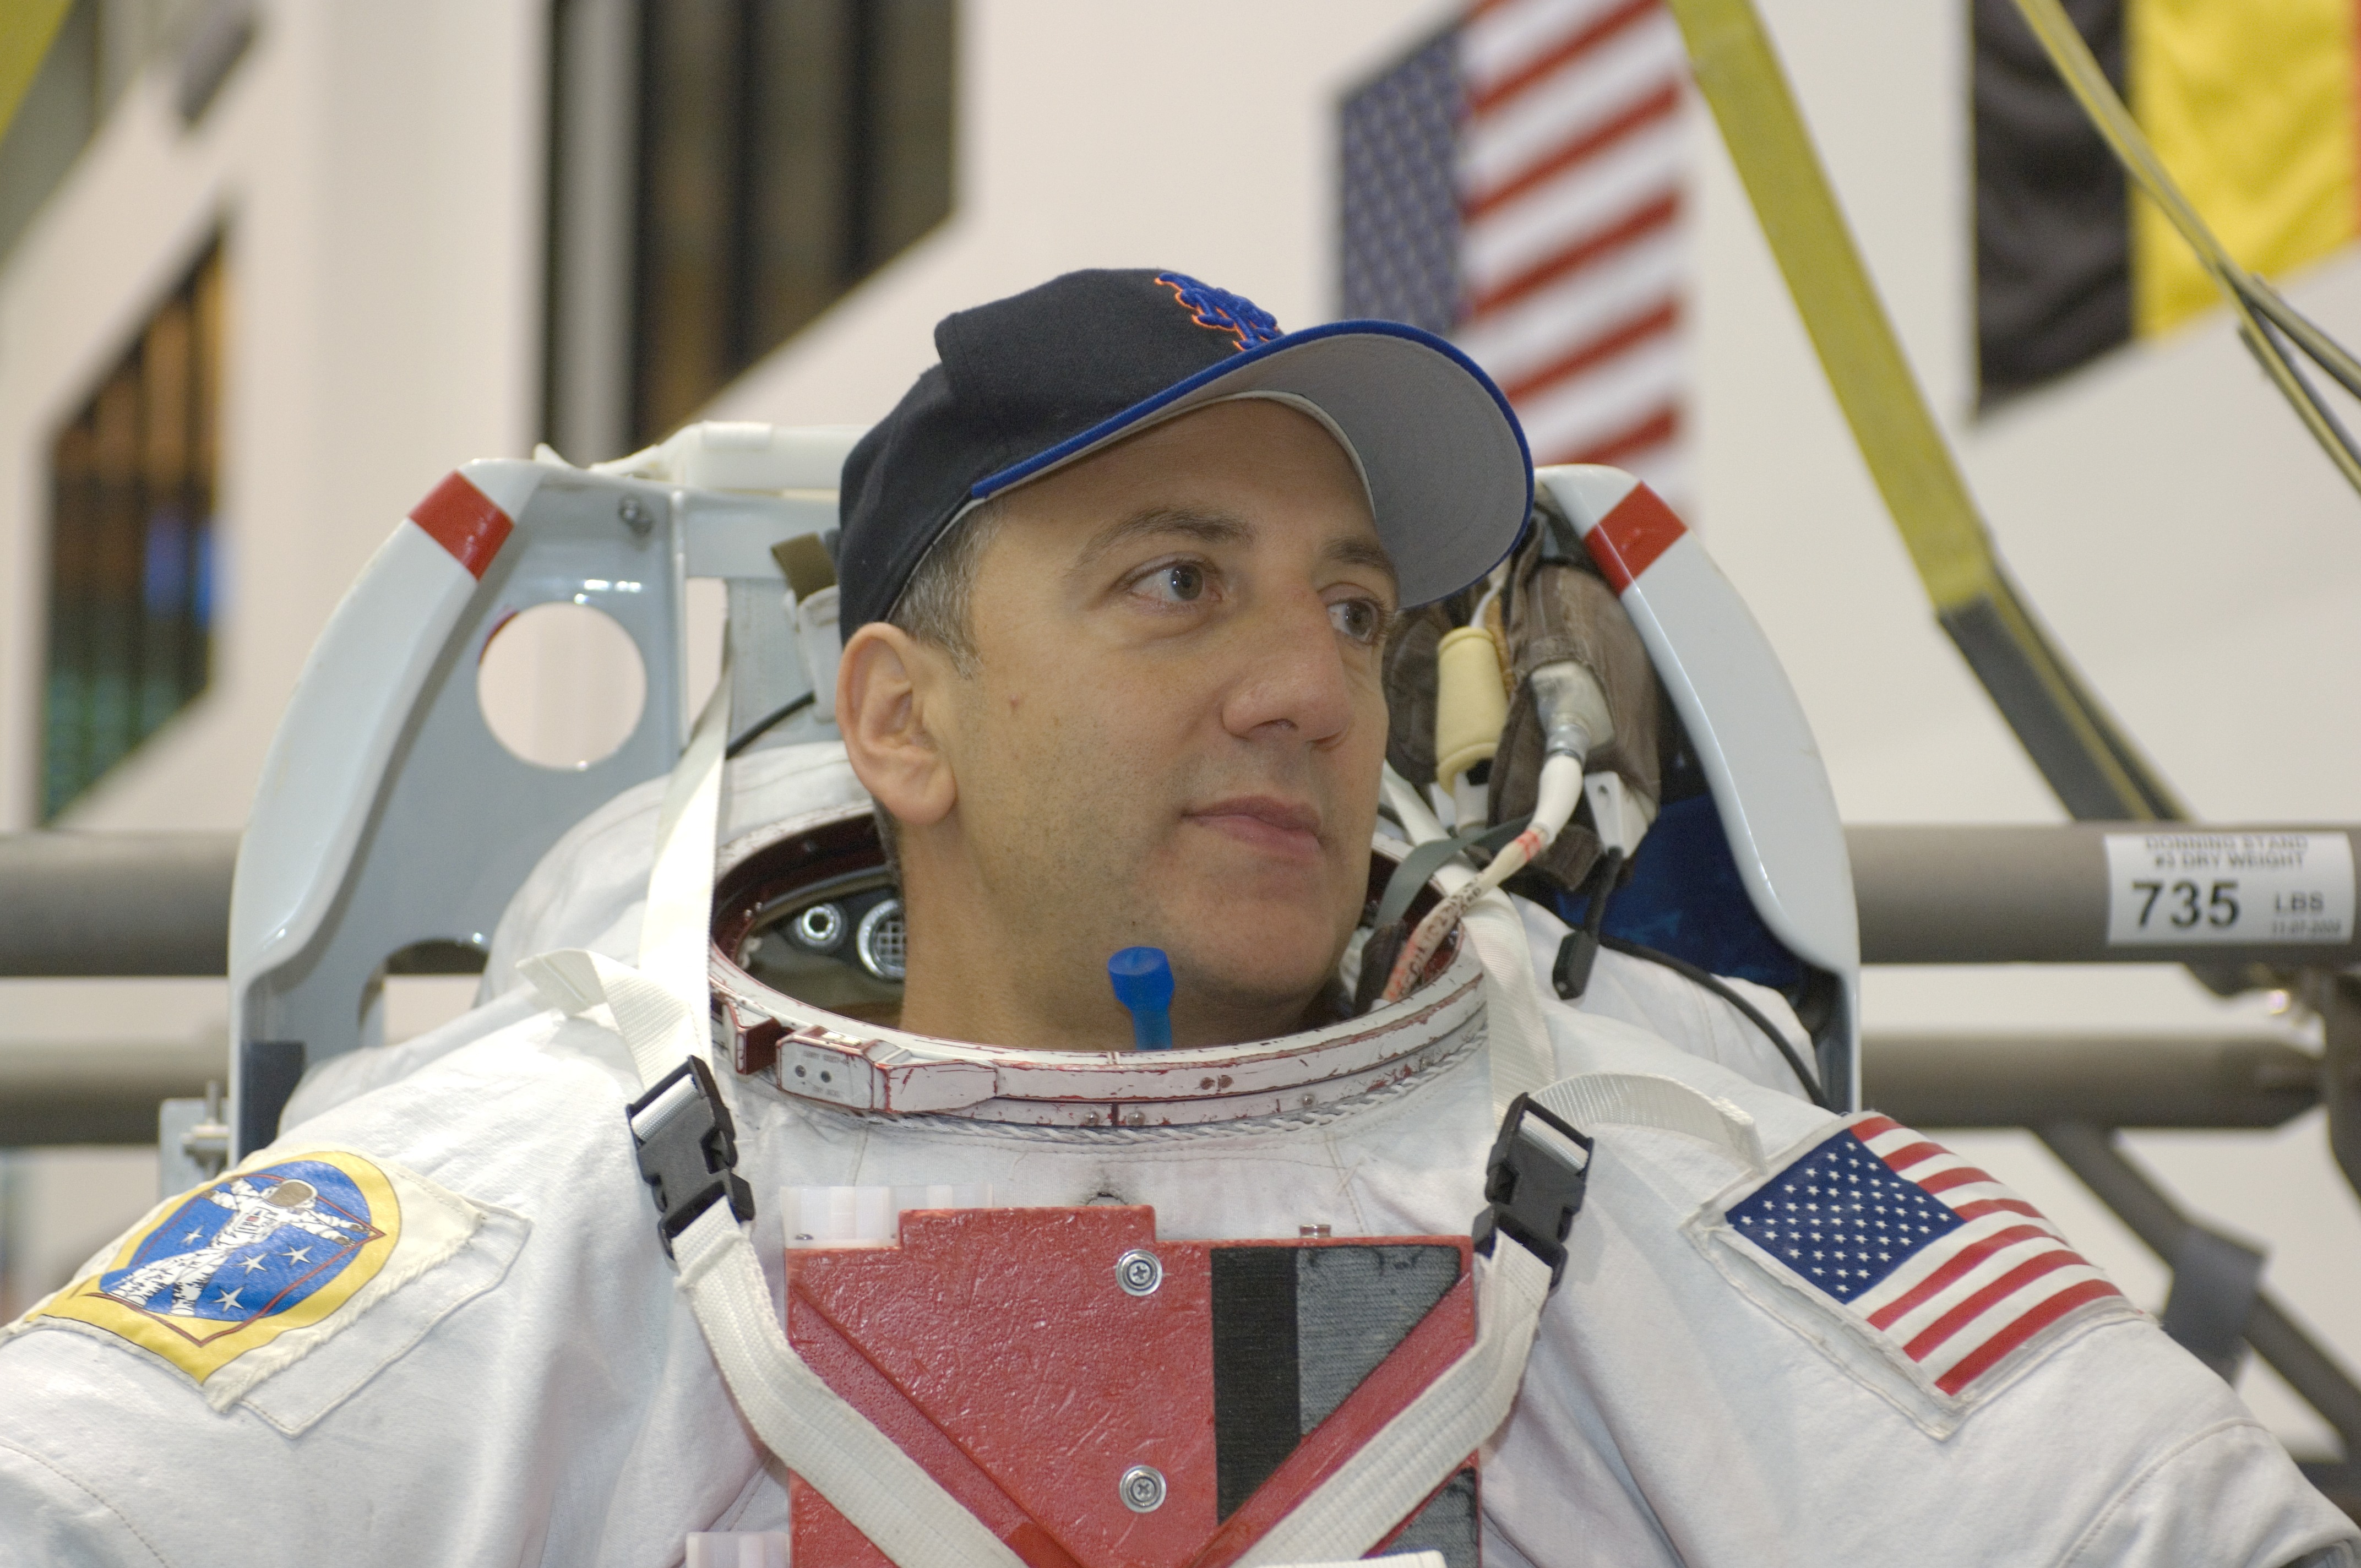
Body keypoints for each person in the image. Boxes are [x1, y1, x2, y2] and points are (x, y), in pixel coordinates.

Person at [0, 270, 2349, 1567]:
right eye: (1173, 584)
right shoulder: (541, 1177)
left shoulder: (1648, 1154)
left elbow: (2169, 1525)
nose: (1303, 684)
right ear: (898, 719)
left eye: (1350, 607)